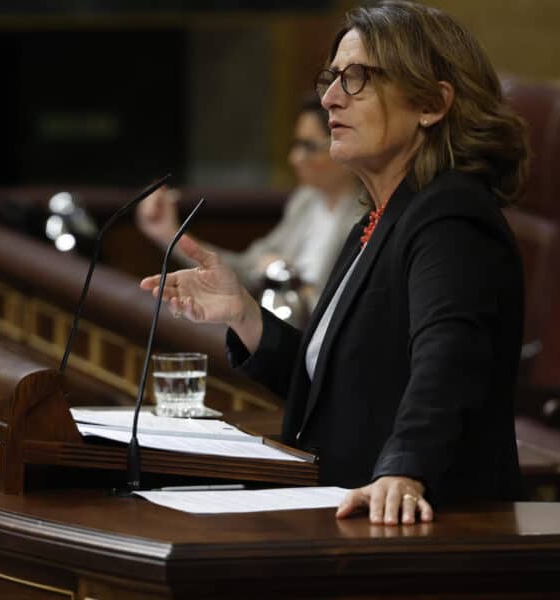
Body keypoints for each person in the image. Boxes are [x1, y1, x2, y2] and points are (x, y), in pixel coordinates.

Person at [141, 0, 528, 525]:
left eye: (357, 79)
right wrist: (245, 316)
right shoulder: (379, 220)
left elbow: (449, 358)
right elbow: (339, 385)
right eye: (332, 78)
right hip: (348, 509)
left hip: (428, 525)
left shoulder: (450, 215)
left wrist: (405, 468)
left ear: (432, 105)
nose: (328, 98)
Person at [135, 95, 365, 310]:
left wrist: (282, 273)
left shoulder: (368, 213)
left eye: (309, 147)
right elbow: (245, 269)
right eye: (296, 145)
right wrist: (168, 234)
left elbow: (342, 312)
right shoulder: (305, 201)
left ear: (342, 144)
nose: (294, 158)